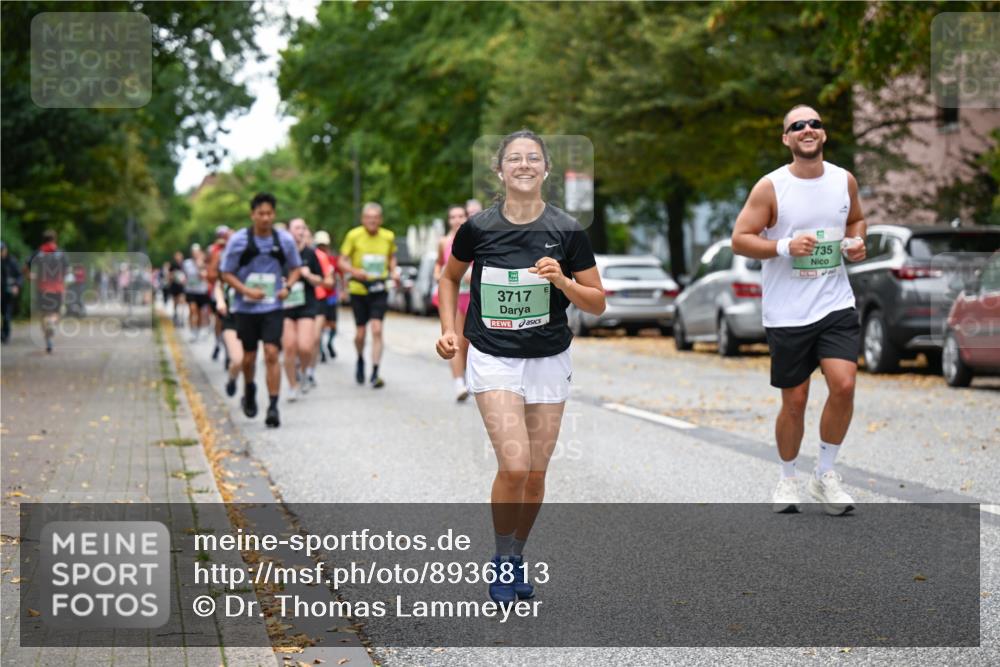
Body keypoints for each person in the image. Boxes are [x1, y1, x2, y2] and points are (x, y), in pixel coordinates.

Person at [436, 130, 605, 603]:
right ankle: (500, 555)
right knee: (515, 464)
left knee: (535, 474)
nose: (524, 164)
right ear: (500, 170)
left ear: (546, 169)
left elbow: (597, 303)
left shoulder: (568, 230)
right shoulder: (478, 229)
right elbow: (449, 279)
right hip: (493, 356)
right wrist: (449, 330)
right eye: (515, 158)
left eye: (533, 158)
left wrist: (563, 282)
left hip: (549, 358)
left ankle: (515, 555)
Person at [731, 104, 867, 516]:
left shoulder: (843, 180)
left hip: (835, 302)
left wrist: (856, 243)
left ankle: (824, 474)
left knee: (844, 385)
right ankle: (787, 477)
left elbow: (857, 220)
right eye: (797, 126)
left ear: (823, 134)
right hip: (788, 312)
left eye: (815, 124)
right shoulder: (771, 187)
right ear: (786, 138)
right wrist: (784, 246)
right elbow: (740, 238)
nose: (807, 129)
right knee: (795, 400)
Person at [220, 193, 302, 428]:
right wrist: (245, 290)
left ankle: (273, 406)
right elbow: (226, 273)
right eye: (261, 213)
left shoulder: (284, 240)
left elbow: (296, 268)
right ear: (252, 215)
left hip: (272, 307)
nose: (265, 218)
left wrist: (287, 287)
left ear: (274, 214)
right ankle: (249, 387)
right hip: (246, 308)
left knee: (271, 353)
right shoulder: (239, 240)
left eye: (269, 213)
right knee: (249, 357)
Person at [340, 202, 401, 388]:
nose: (372, 221)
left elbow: (391, 257)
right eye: (368, 218)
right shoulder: (353, 235)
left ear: (380, 219)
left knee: (377, 329)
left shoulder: (388, 236)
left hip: (379, 287)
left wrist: (394, 271)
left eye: (375, 218)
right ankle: (360, 358)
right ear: (362, 219)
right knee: (360, 333)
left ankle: (375, 372)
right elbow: (341, 261)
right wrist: (354, 271)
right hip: (359, 288)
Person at [281, 219, 330, 401]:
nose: (300, 231)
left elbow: (323, 280)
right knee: (289, 347)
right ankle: (292, 385)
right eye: (296, 228)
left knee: (306, 346)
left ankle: (303, 372)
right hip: (286, 305)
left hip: (307, 304)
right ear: (289, 231)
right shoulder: (282, 253)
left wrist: (309, 275)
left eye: (303, 228)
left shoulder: (311, 254)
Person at [433, 205, 473, 401]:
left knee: (468, 342)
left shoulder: (474, 237)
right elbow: (439, 265)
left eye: (460, 216)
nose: (457, 220)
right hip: (456, 297)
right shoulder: (444, 242)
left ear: (466, 217)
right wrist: (438, 275)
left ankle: (467, 377)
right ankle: (458, 383)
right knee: (454, 339)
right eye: (453, 217)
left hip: (473, 296)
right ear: (448, 221)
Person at [28, 230, 69, 353]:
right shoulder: (61, 253)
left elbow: (26, 267)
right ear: (54, 239)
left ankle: (48, 340)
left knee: (43, 314)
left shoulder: (38, 253)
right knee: (57, 313)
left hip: (42, 288)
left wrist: (30, 276)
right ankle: (52, 322)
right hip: (57, 288)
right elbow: (66, 271)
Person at [213, 276, 243, 398]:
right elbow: (219, 284)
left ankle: (248, 395)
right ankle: (232, 379)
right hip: (231, 319)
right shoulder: (230, 264)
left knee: (249, 361)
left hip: (254, 318)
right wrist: (220, 300)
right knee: (237, 360)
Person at [206, 225, 232, 361]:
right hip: (218, 290)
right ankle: (218, 344)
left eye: (225, 235)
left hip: (235, 292)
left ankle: (230, 350)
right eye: (220, 235)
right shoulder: (213, 249)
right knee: (219, 321)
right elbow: (210, 274)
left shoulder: (236, 247)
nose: (223, 238)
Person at [313, 230, 340, 362]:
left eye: (324, 245)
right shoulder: (314, 257)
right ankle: (321, 350)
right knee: (321, 325)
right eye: (320, 245)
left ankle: (329, 343)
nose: (322, 247)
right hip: (319, 295)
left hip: (331, 295)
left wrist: (343, 290)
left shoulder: (332, 259)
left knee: (333, 324)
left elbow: (337, 275)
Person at [183, 243, 211, 341]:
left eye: (197, 252)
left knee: (199, 313)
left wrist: (199, 265)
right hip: (190, 290)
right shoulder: (186, 263)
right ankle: (192, 329)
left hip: (201, 291)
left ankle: (197, 331)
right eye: (194, 252)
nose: (195, 254)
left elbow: (204, 276)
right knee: (192, 309)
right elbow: (185, 275)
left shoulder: (203, 262)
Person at [1, 242, 23, 344]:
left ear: (5, 250)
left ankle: (5, 335)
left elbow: (19, 276)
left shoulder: (12, 261)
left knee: (6, 315)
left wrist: (16, 286)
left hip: (8, 292)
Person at [168, 251, 187, 325]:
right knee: (175, 301)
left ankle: (182, 316)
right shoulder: (173, 265)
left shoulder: (184, 265)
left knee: (182, 300)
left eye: (179, 257)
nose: (178, 258)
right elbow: (169, 276)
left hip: (182, 286)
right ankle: (175, 314)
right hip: (174, 285)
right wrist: (173, 277)